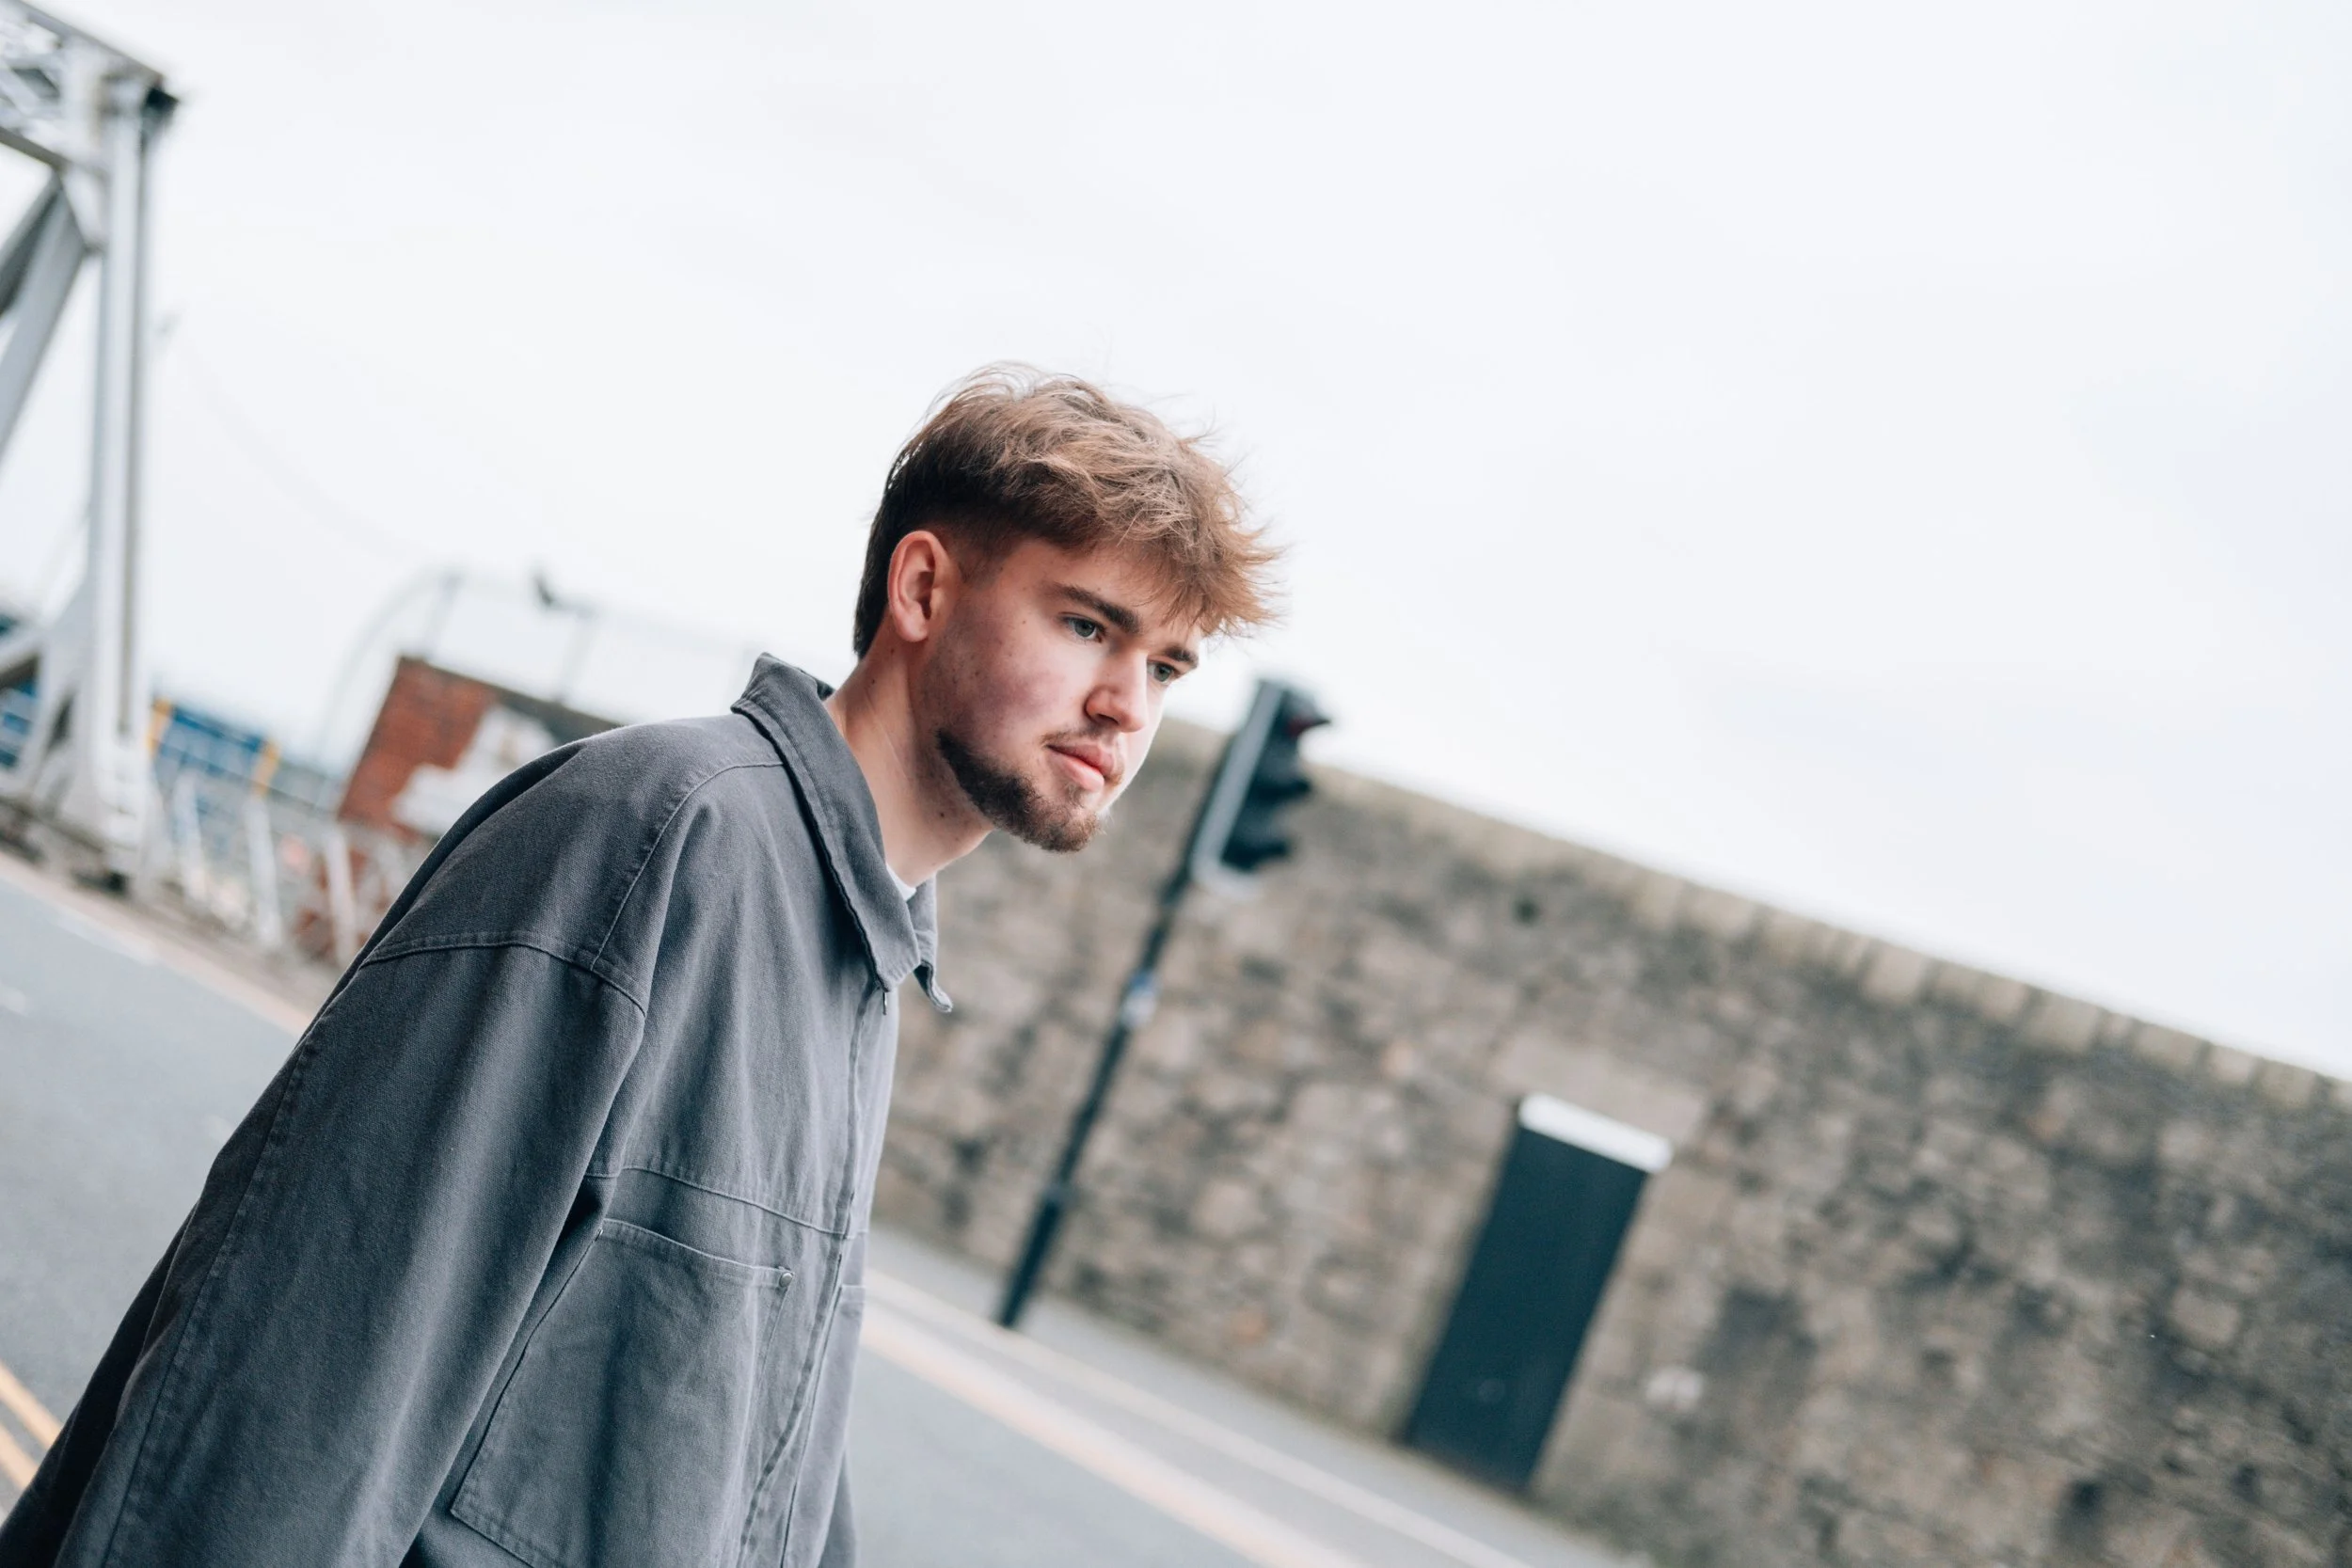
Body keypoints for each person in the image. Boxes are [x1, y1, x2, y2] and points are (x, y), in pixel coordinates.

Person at [0, 367, 1278, 1568]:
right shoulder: (657, 835)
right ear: (925, 590)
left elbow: (755, 1455)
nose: (1129, 704)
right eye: (1087, 624)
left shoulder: (865, 950)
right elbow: (305, 1358)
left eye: (1164, 666)